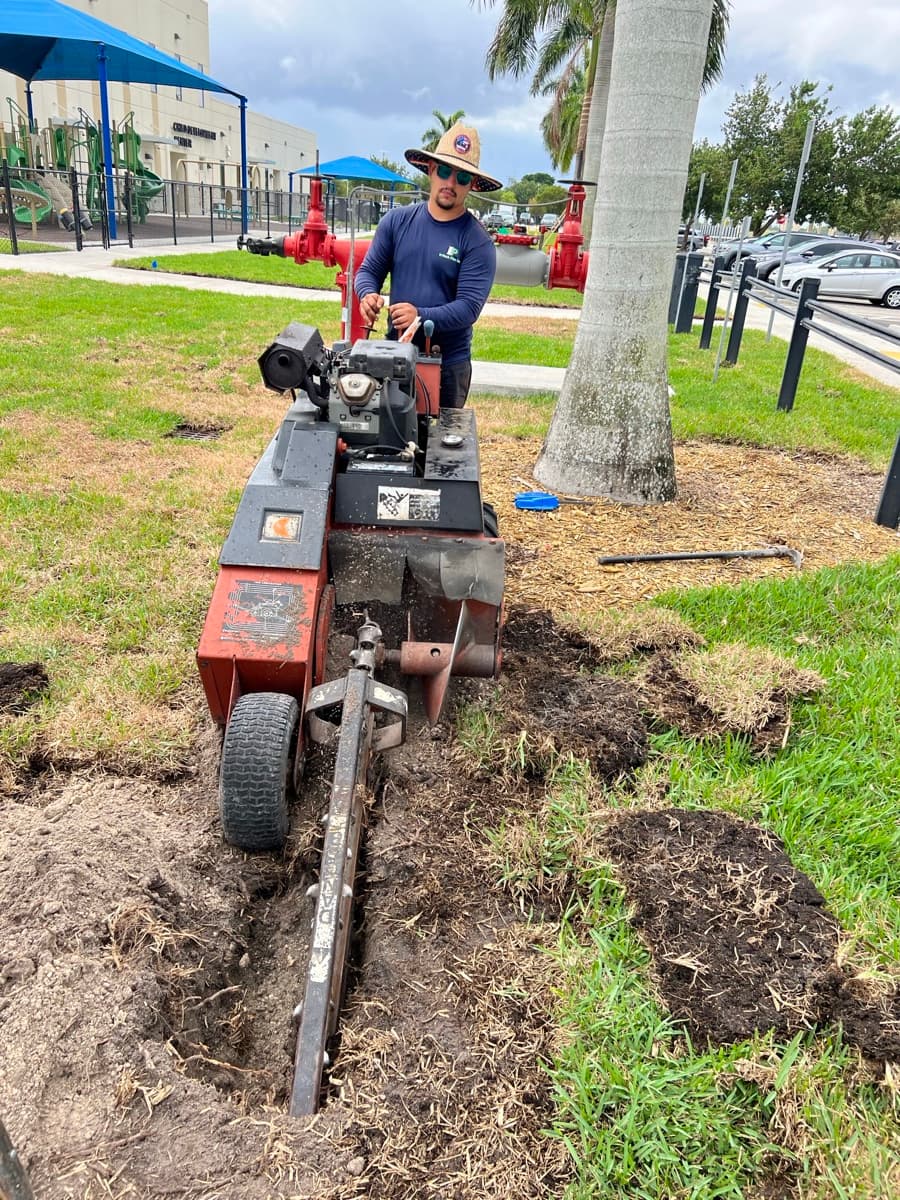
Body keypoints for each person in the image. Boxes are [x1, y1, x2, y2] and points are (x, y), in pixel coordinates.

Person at [354, 122, 501, 408]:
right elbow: (368, 272)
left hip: (448, 366)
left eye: (462, 178)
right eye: (445, 171)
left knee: (441, 448)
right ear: (431, 170)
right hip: (394, 355)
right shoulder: (396, 222)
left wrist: (419, 315)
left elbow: (469, 308)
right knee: (388, 441)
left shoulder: (477, 241)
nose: (451, 183)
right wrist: (367, 294)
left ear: (471, 184)